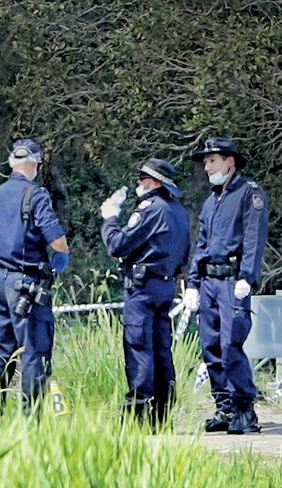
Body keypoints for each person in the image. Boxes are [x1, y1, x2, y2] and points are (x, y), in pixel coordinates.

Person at [0, 138, 70, 414]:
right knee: (34, 351)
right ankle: (30, 421)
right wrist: (60, 258)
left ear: (11, 164)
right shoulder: (36, 195)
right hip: (28, 284)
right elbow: (57, 241)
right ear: (33, 164)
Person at [184, 137, 269, 434]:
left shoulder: (249, 194)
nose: (207, 167)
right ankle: (225, 407)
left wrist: (247, 276)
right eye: (206, 162)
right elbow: (202, 244)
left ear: (229, 161)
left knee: (230, 345)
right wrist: (192, 283)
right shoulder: (211, 201)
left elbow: (253, 238)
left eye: (212, 160)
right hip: (209, 281)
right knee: (210, 346)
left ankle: (245, 410)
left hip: (233, 281)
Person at [100, 158, 191, 427]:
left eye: (141, 179)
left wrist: (110, 219)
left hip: (142, 288)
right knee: (162, 348)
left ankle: (137, 414)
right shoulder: (179, 212)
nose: (138, 184)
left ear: (153, 182)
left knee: (139, 346)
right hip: (165, 285)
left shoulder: (150, 209)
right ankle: (162, 415)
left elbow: (118, 245)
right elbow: (184, 254)